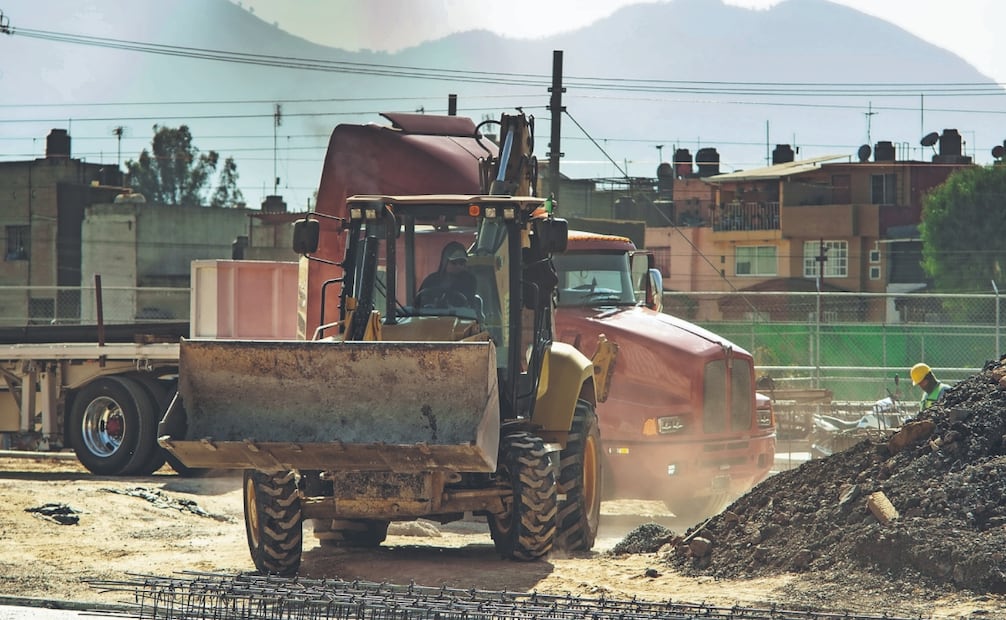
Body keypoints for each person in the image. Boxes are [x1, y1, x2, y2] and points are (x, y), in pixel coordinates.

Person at [417, 242, 477, 307]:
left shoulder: (469, 280)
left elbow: (469, 304)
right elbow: (418, 303)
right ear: (445, 261)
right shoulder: (431, 280)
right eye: (454, 262)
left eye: (462, 262)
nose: (458, 266)